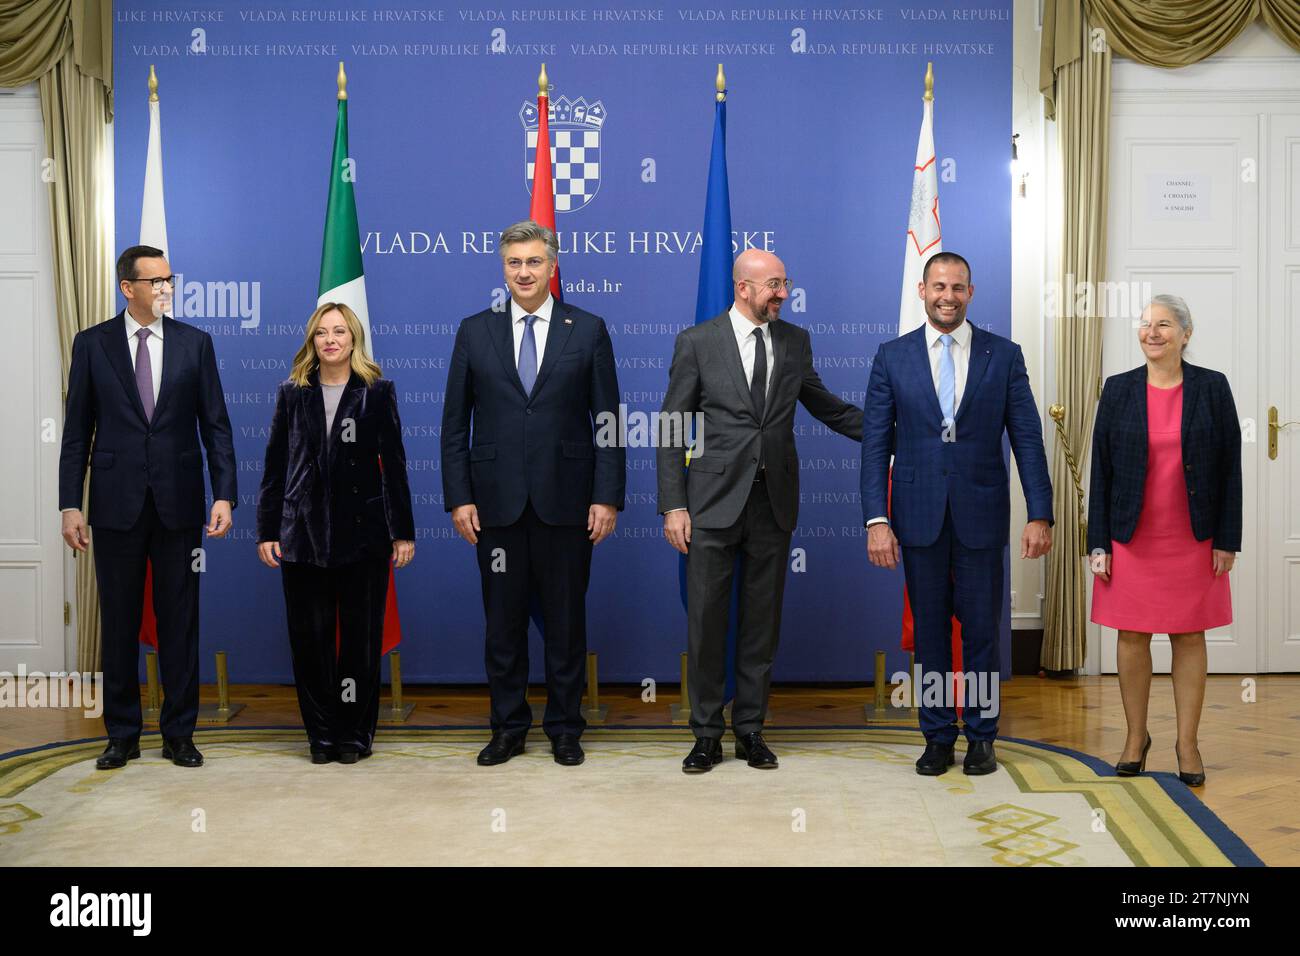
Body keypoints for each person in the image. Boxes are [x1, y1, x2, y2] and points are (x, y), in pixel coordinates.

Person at [658, 248, 864, 773]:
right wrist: (673, 504)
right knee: (706, 624)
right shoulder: (698, 342)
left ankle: (751, 729)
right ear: (743, 287)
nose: (783, 292)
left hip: (773, 505)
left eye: (784, 283)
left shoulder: (795, 340)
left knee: (761, 624)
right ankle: (706, 734)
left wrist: (894, 430)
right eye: (773, 284)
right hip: (709, 505)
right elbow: (672, 427)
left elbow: (825, 405)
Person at [442, 220, 625, 768]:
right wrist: (459, 496)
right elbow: (455, 425)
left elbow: (608, 420)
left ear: (553, 267)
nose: (523, 272)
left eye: (534, 262)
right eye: (513, 263)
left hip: (568, 503)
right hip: (494, 504)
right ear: (503, 269)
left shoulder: (587, 329)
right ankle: (508, 728)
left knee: (567, 623)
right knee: (502, 624)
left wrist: (607, 495)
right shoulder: (475, 330)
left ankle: (566, 728)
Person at [862, 251, 1052, 777]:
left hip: (982, 517)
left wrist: (1041, 511)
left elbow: (1028, 440)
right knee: (929, 635)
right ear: (922, 291)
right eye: (939, 286)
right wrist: (876, 519)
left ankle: (983, 735)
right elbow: (876, 445)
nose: (948, 296)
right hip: (917, 518)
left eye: (958, 287)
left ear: (971, 292)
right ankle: (938, 735)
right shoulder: (892, 357)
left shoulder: (1004, 355)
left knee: (983, 633)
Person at [59, 245, 237, 770]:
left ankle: (180, 735)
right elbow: (75, 435)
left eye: (169, 280)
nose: (165, 288)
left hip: (179, 506)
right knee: (118, 624)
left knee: (180, 621)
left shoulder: (194, 344)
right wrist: (71, 504)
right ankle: (122, 735)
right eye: (154, 281)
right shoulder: (91, 345)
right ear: (126, 288)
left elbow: (216, 426)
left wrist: (224, 491)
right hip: (115, 508)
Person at [1088, 295, 1240, 787]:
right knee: (1131, 636)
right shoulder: (1117, 390)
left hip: (1194, 536)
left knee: (1188, 635)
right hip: (1131, 535)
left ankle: (1187, 744)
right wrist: (1098, 543)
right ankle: (1136, 739)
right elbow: (1102, 472)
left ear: (1186, 334)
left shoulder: (1212, 388)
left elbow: (1230, 469)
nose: (1152, 332)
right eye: (1146, 324)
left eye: (1165, 324)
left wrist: (1228, 538)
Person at [256, 303, 414, 764]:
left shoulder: (377, 393)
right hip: (301, 535)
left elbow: (396, 470)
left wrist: (401, 532)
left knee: (361, 643)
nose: (330, 339)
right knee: (311, 641)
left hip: (363, 536)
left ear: (353, 339)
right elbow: (274, 467)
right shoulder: (292, 394)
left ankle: (355, 733)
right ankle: (321, 735)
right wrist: (268, 529)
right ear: (312, 341)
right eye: (322, 332)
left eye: (339, 331)